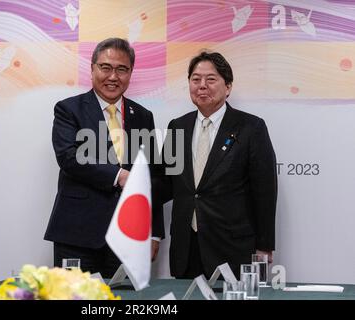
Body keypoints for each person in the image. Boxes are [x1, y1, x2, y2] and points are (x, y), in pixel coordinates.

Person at [44, 38, 164, 278]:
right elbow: (69, 156)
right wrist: (119, 176)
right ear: (92, 69)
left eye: (122, 69)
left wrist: (154, 232)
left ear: (130, 73)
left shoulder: (143, 116)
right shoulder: (69, 109)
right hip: (77, 234)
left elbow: (152, 177)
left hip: (129, 236)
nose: (113, 76)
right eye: (105, 67)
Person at [155, 51, 277, 279]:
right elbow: (164, 183)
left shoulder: (251, 127)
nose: (202, 86)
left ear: (228, 86)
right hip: (186, 248)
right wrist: (129, 184)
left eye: (210, 79)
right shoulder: (177, 127)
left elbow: (265, 191)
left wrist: (265, 245)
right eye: (195, 79)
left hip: (233, 249)